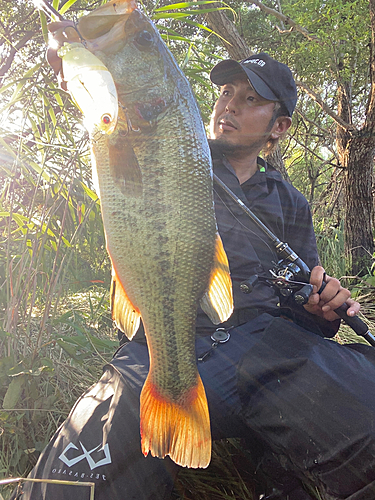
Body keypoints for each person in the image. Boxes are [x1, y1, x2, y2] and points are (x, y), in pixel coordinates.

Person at [11, 53, 375, 500]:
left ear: (278, 127)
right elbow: (113, 120)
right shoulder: (171, 156)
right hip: (160, 344)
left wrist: (321, 311)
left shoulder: (292, 203)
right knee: (64, 487)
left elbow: (305, 297)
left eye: (250, 98)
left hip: (269, 346)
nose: (230, 106)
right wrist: (84, 70)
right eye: (226, 92)